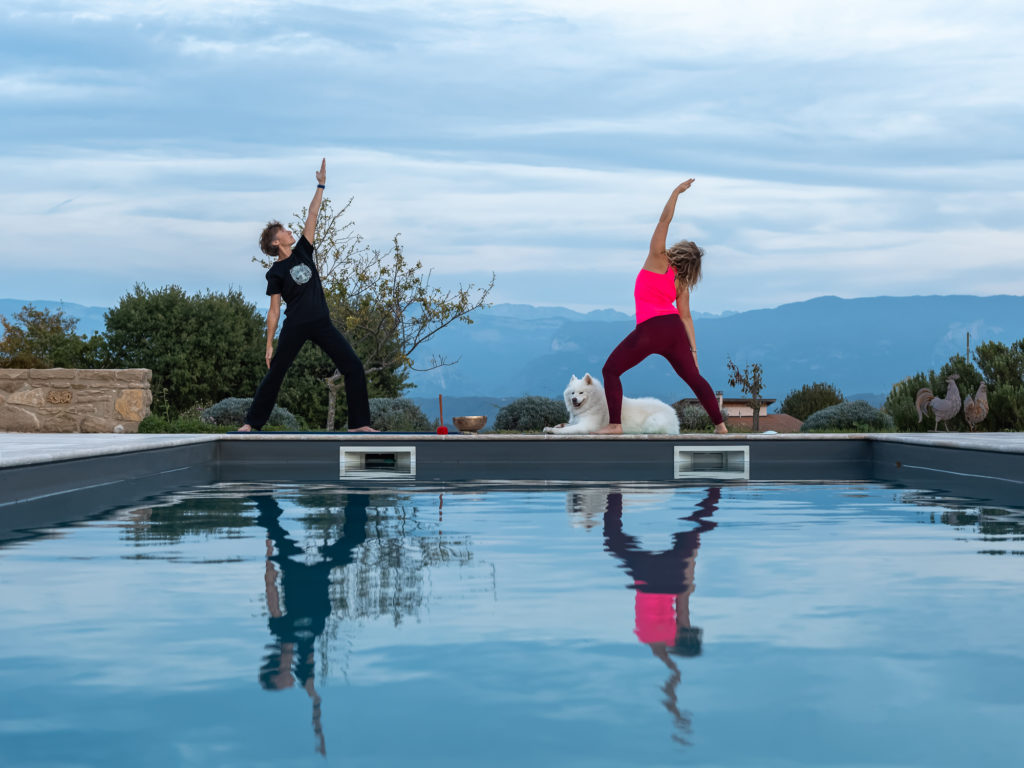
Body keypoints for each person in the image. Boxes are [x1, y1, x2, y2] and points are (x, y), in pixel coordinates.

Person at [238, 159, 375, 432]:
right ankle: (252, 424)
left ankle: (359, 424)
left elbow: (312, 215)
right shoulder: (275, 273)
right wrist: (269, 344)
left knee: (353, 366)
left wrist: (321, 184)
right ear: (276, 242)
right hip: (296, 325)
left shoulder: (303, 251)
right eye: (285, 231)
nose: (291, 231)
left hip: (321, 322)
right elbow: (274, 311)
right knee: (276, 373)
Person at [596, 179, 726, 435]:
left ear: (678, 250)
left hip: (651, 329)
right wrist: (694, 355)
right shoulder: (682, 283)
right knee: (695, 379)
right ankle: (720, 426)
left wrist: (675, 192)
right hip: (674, 331)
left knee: (610, 370)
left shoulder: (658, 257)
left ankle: (615, 425)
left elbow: (664, 221)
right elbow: (686, 317)